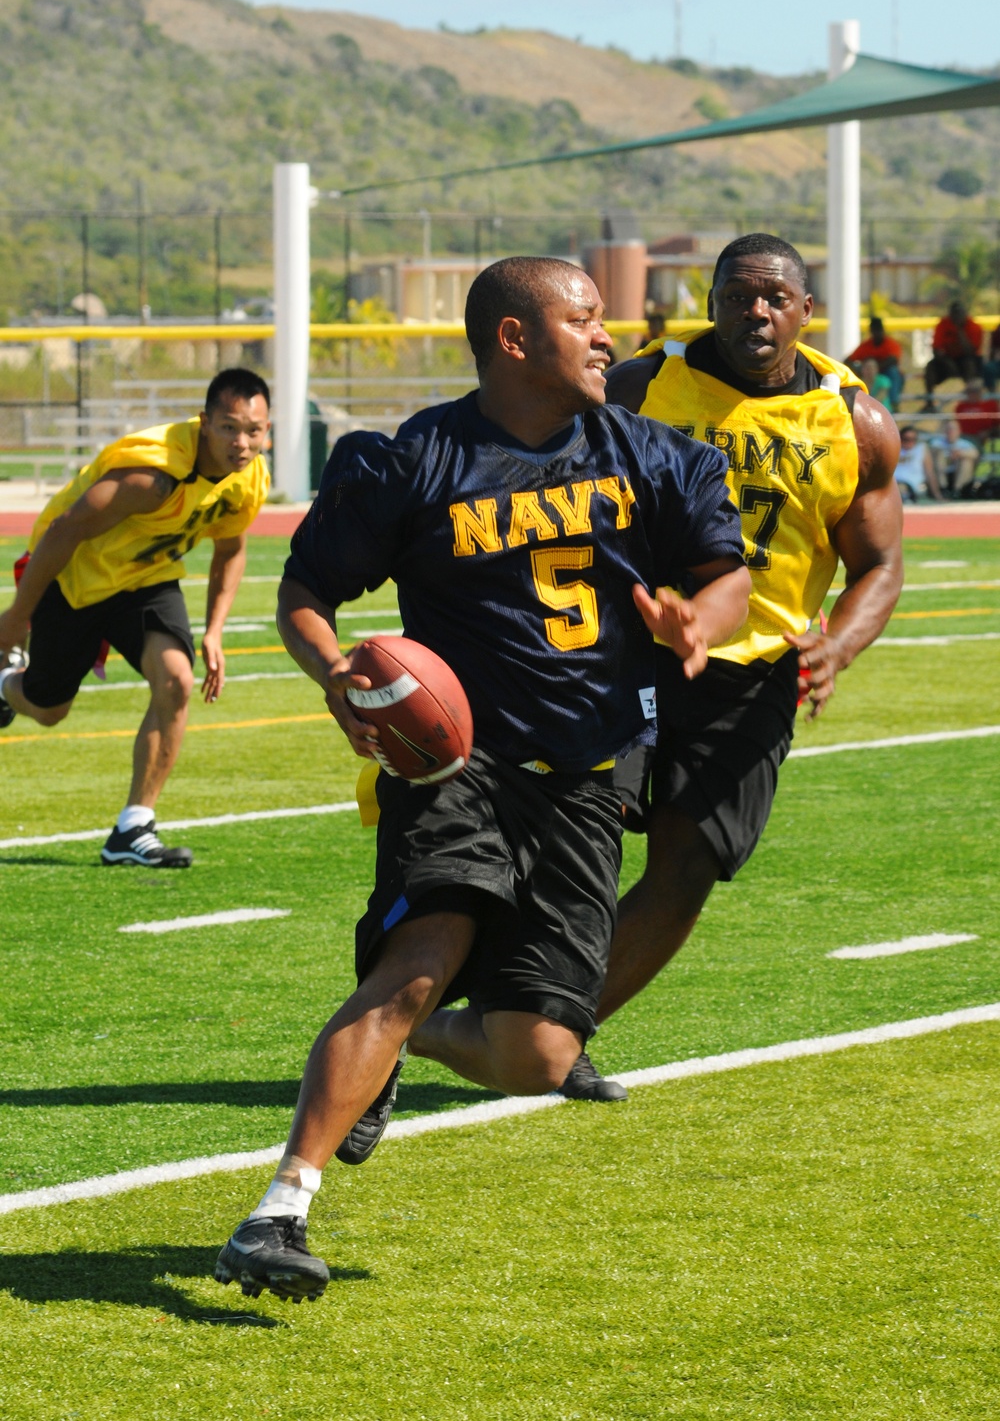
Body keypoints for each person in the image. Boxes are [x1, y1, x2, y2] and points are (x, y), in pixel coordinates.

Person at [214, 257, 750, 1301]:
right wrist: (334, 673)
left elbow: (724, 576)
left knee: (541, 1054)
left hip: (586, 776)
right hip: (457, 764)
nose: (607, 337)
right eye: (584, 319)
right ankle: (279, 1209)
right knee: (419, 957)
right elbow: (305, 591)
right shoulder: (416, 459)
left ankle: (413, 1042)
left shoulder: (653, 457)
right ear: (513, 338)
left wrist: (700, 623)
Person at [556, 232, 903, 1100]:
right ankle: (492, 1005)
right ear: (710, 300)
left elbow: (879, 563)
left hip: (751, 672)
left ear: (805, 311)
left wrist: (839, 643)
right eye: (739, 295)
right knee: (582, 833)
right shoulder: (641, 385)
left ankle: (558, 1030)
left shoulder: (851, 418)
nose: (757, 312)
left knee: (689, 862)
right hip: (630, 649)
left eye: (775, 298)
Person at [0, 369, 271, 867]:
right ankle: (3, 684)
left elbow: (231, 549)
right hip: (76, 580)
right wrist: (18, 616)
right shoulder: (150, 477)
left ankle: (133, 827)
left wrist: (214, 631)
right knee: (47, 708)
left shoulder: (248, 479)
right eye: (230, 427)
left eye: (254, 430)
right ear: (204, 423)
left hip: (145, 580)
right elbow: (63, 531)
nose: (242, 442)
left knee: (176, 681)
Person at [923, 300, 984, 405]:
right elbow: (936, 349)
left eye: (959, 314)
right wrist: (947, 362)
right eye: (954, 314)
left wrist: (960, 330)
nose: (957, 317)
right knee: (930, 367)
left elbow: (970, 351)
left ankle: (972, 401)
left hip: (966, 359)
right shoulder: (943, 324)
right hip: (947, 360)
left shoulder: (974, 326)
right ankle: (930, 402)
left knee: (970, 364)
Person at [847, 316, 904, 407]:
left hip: (886, 373)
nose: (877, 333)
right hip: (868, 378)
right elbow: (848, 361)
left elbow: (893, 360)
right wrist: (861, 370)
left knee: (893, 372)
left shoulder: (891, 344)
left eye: (878, 330)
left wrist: (875, 368)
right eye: (874, 330)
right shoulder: (866, 346)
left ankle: (894, 403)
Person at [930, 415, 979, 495]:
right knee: (939, 455)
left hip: (959, 474)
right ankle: (943, 489)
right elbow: (931, 451)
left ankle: (957, 491)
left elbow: (975, 454)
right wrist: (946, 454)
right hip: (942, 474)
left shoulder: (965, 444)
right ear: (944, 431)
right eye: (948, 429)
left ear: (959, 431)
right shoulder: (937, 442)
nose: (951, 431)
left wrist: (960, 453)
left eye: (953, 429)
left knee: (966, 461)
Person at [895, 424, 943, 503]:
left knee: (900, 488)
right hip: (894, 482)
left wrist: (937, 495)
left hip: (911, 485)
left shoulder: (921, 449)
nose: (910, 442)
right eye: (906, 439)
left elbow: (929, 472)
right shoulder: (896, 449)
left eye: (913, 439)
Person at [954, 377, 1000, 446]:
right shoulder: (961, 407)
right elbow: (956, 425)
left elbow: (997, 425)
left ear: (981, 391)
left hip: (986, 439)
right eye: (969, 391)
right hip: (965, 438)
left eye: (975, 391)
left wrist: (988, 432)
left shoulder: (991, 404)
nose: (972, 394)